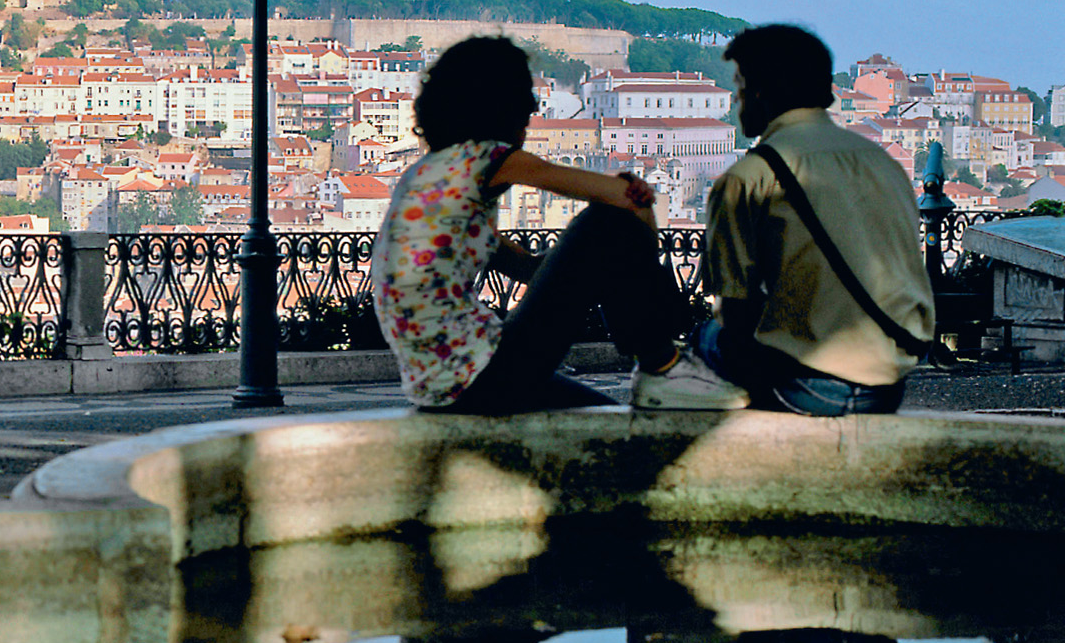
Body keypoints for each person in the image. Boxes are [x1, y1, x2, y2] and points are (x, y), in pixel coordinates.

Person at [372, 35, 746, 413]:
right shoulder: (490, 158)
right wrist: (632, 212)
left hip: (447, 387)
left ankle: (662, 373)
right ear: (507, 107)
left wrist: (574, 263)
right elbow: (621, 201)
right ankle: (663, 366)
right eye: (527, 107)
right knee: (606, 221)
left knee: (602, 415)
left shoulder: (427, 177)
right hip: (484, 373)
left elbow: (527, 269)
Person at [694, 24, 934, 414]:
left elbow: (735, 311)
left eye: (739, 88)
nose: (737, 102)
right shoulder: (883, 163)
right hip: (889, 382)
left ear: (758, 93)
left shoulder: (748, 177)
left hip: (810, 387)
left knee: (705, 336)